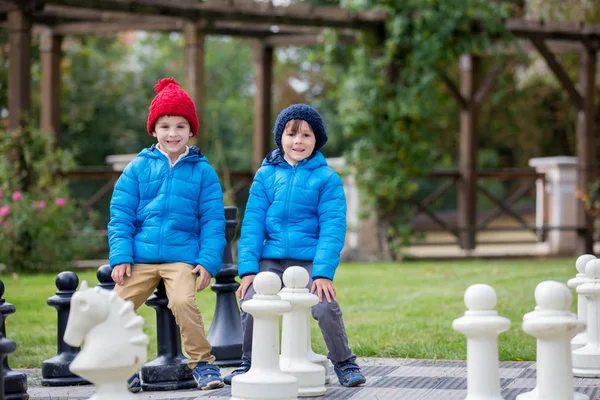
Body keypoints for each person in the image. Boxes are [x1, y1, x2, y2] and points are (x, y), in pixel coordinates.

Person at [225, 104, 366, 387]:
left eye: (306, 135)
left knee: (325, 306)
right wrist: (249, 269)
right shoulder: (265, 176)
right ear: (281, 138)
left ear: (317, 141)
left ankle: (344, 362)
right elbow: (253, 223)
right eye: (291, 134)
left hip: (310, 260)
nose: (298, 141)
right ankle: (250, 362)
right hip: (271, 259)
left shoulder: (327, 179)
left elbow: (332, 228)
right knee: (252, 298)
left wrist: (323, 272)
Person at [108, 77, 226, 392]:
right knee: (113, 309)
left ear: (191, 131)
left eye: (180, 126)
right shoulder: (137, 168)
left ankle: (203, 364)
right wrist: (121, 256)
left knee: (183, 302)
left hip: (182, 257)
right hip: (140, 258)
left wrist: (207, 261)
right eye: (165, 126)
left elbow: (214, 221)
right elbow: (120, 215)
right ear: (154, 130)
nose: (172, 133)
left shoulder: (203, 171)